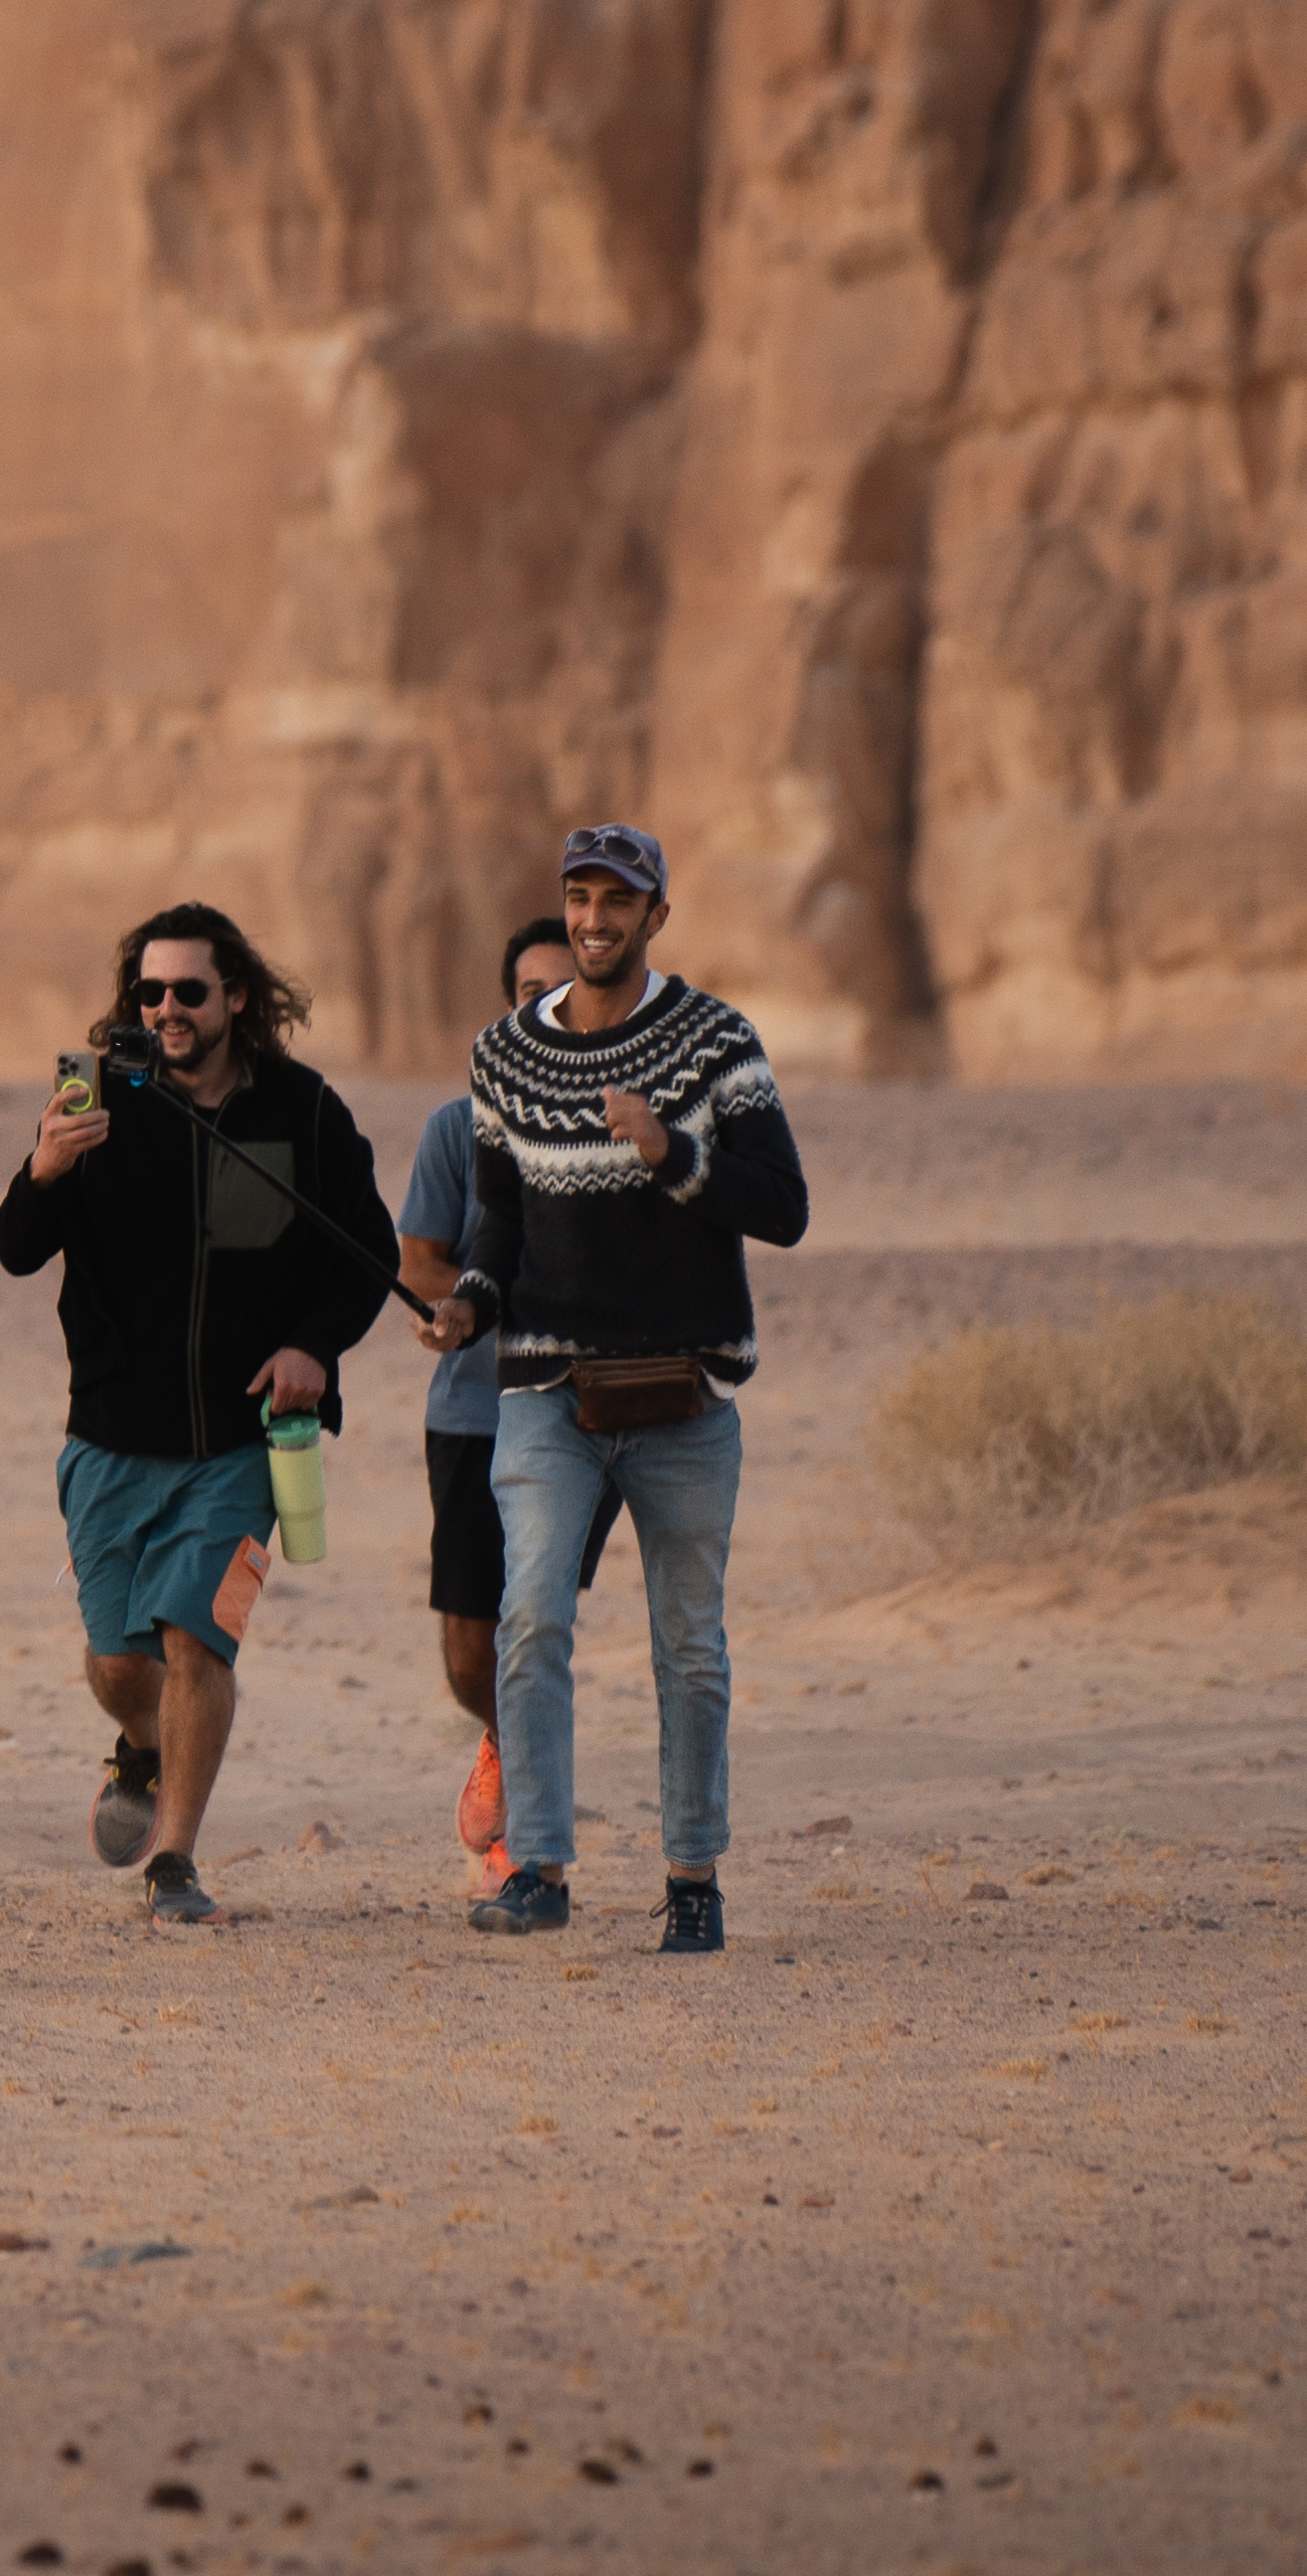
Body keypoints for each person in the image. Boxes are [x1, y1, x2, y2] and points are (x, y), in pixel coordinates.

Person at [426, 825, 811, 1956]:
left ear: (656, 918)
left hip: (683, 1397)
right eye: (579, 897)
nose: (595, 919)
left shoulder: (714, 1042)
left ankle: (692, 1876)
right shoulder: (502, 1056)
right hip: (547, 1389)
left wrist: (671, 1154)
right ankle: (537, 1867)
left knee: (687, 1643)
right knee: (532, 1617)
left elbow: (784, 1207)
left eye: (619, 902)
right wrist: (468, 1305)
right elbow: (499, 1222)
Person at [0, 903, 399, 1925]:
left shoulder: (304, 1114)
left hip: (240, 1443)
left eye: (188, 992)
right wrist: (46, 1166)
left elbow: (369, 1258)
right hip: (109, 1438)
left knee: (195, 1644)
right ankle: (138, 1745)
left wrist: (313, 1346)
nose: (166, 1010)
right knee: (120, 1660)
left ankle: (175, 1859)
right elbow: (14, 1246)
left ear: (238, 1001)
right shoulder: (96, 1103)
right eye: (149, 993)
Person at [399, 918, 575, 1891]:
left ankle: (534, 1847)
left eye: (565, 990)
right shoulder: (450, 1129)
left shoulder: (627, 1124)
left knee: (538, 1622)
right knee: (473, 1648)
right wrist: (457, 1306)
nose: (546, 1008)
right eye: (528, 993)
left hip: (585, 1414)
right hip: (471, 1412)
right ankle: (504, 1744)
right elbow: (418, 1257)